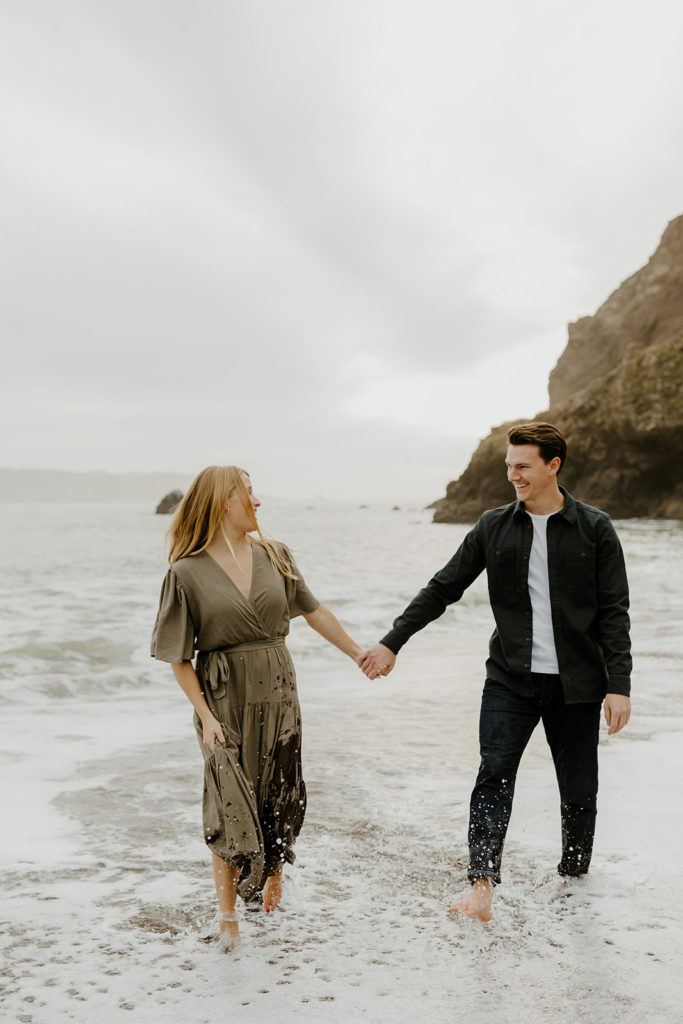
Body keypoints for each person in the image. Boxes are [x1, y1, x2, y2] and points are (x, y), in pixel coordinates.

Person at [359, 423, 631, 922]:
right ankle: (481, 886)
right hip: (510, 678)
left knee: (579, 789)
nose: (513, 475)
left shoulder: (595, 528)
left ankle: (574, 885)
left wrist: (619, 686)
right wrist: (392, 641)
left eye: (523, 466)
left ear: (554, 466)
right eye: (509, 466)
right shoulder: (492, 527)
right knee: (494, 776)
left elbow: (614, 611)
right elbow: (443, 588)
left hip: (579, 684)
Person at [151, 465, 362, 949]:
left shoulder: (276, 556)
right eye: (249, 494)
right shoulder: (186, 573)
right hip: (224, 700)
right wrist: (205, 718)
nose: (258, 502)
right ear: (225, 501)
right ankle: (227, 919)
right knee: (229, 802)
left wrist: (358, 654)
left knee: (279, 791)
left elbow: (313, 611)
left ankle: (273, 875)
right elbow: (179, 659)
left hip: (280, 691)